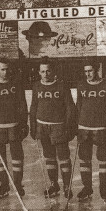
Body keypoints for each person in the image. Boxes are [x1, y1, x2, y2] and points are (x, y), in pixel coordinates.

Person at [29, 57, 76, 198]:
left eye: (48, 71)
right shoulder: (37, 86)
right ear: (39, 72)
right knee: (49, 157)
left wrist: (69, 127)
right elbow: (33, 107)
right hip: (42, 127)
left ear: (53, 71)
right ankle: (54, 184)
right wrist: (33, 126)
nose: (45, 74)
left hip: (58, 127)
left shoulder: (62, 86)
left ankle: (67, 186)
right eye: (42, 71)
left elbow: (70, 108)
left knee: (63, 157)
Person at [0, 59, 28, 198]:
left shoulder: (16, 84)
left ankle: (18, 184)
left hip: (14, 126)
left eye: (7, 69)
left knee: (17, 157)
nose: (6, 72)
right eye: (2, 69)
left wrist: (23, 124)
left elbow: (23, 106)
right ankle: (4, 184)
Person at [75, 61, 106, 201]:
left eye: (90, 71)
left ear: (97, 70)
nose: (88, 74)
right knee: (84, 158)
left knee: (104, 158)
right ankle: (87, 187)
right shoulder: (81, 85)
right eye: (86, 71)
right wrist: (76, 124)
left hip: (102, 127)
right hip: (84, 127)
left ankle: (104, 187)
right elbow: (79, 105)